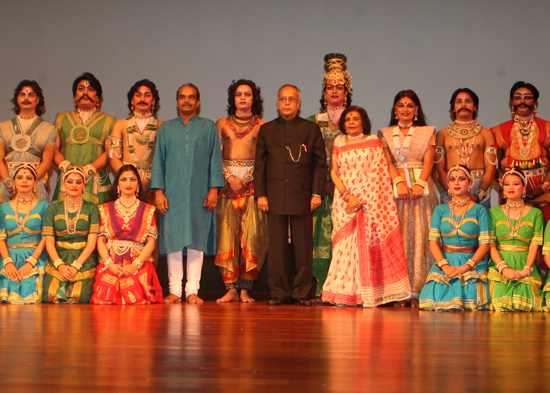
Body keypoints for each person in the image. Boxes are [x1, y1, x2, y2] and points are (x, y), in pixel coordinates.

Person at [322, 106, 410, 307]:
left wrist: (360, 199)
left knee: (365, 247)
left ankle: (365, 294)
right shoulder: (339, 141)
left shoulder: (372, 141)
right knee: (343, 246)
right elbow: (334, 172)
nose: (351, 122)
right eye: (348, 119)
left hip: (368, 203)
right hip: (344, 202)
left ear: (363, 122)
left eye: (356, 118)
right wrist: (347, 196)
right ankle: (341, 293)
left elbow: (378, 172)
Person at [151, 83, 224, 304]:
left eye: (191, 97)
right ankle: (174, 291)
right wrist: (159, 192)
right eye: (182, 97)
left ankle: (192, 290)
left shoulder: (208, 127)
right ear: (176, 101)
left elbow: (215, 160)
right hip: (172, 193)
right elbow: (158, 162)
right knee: (172, 240)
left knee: (196, 240)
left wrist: (213, 190)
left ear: (198, 102)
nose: (186, 101)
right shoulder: (166, 129)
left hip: (199, 192)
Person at [254, 84, 327, 306]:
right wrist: (261, 195)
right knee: (276, 246)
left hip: (303, 195)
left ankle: (302, 292)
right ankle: (278, 291)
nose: (287, 103)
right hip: (274, 195)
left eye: (291, 99)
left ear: (298, 103)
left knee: (302, 246)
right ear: (277, 103)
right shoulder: (267, 130)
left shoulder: (310, 129)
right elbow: (260, 165)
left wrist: (316, 193)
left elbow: (320, 164)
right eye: (283, 99)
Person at [379, 90, 438, 307]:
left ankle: (420, 290)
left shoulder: (427, 132)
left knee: (421, 236)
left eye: (409, 105)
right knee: (399, 237)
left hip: (422, 191)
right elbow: (387, 163)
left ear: (416, 110)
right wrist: (399, 183)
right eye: (401, 105)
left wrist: (420, 184)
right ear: (395, 110)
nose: (405, 109)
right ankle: (399, 292)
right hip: (396, 191)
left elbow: (429, 162)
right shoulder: (385, 133)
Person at [215, 80, 267, 303]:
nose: (243, 98)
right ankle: (231, 288)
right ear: (233, 98)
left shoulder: (262, 126)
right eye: (239, 94)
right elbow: (215, 155)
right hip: (227, 184)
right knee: (227, 236)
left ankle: (246, 287)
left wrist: (246, 179)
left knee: (253, 236)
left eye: (247, 94)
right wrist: (229, 178)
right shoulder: (222, 124)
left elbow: (264, 159)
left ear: (254, 98)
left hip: (252, 183)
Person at [306, 53, 353, 299]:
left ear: (347, 93)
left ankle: (344, 287)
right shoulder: (312, 122)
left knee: (345, 239)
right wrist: (320, 184)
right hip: (318, 191)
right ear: (323, 93)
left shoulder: (354, 121)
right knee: (318, 240)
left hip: (346, 192)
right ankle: (320, 286)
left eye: (339, 87)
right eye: (330, 87)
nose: (335, 91)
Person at [418, 165, 490, 311]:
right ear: (448, 184)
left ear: (470, 184)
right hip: (445, 264)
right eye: (452, 179)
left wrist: (466, 267)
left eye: (462, 179)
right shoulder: (440, 209)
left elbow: (485, 244)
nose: (456, 183)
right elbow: (433, 242)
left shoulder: (479, 210)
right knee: (433, 302)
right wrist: (444, 266)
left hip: (471, 264)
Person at [91, 165, 162, 305]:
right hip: (111, 262)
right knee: (104, 296)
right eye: (123, 179)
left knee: (135, 295)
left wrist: (136, 265)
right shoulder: (104, 209)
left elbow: (151, 242)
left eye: (132, 179)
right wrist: (109, 264)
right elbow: (100, 240)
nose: (128, 183)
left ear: (138, 184)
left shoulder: (148, 209)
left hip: (138, 263)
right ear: (117, 184)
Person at [53, 72, 116, 204]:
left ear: (98, 98)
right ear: (75, 96)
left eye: (91, 89)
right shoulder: (61, 119)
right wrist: (66, 166)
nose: (85, 92)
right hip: (67, 178)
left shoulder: (109, 121)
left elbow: (110, 152)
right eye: (81, 89)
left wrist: (90, 169)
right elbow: (53, 149)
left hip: (95, 181)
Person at [487, 169, 544, 311]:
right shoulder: (493, 212)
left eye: (515, 184)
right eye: (507, 184)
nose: (510, 187)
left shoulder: (536, 213)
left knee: (530, 304)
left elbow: (534, 245)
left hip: (526, 264)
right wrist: (503, 268)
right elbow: (491, 245)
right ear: (502, 188)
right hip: (500, 265)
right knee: (500, 305)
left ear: (524, 188)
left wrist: (526, 270)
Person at [492, 81, 550, 221]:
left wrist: (542, 188)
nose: (522, 101)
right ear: (512, 102)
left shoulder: (547, 128)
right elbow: (494, 166)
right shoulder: (500, 130)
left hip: (543, 192)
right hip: (511, 193)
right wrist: (506, 186)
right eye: (518, 97)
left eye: (527, 97)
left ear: (534, 102)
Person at [42, 167, 99, 303]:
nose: (74, 185)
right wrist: (60, 265)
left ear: (84, 186)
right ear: (63, 184)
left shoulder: (92, 208)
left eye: (78, 182)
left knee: (79, 296)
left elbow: (92, 243)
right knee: (51, 295)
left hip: (83, 259)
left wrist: (75, 266)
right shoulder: (53, 208)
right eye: (70, 181)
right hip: (59, 256)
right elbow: (49, 242)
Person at [435, 88, 497, 208]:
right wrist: (452, 191)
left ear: (475, 107)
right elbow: (438, 169)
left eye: (468, 101)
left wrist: (479, 194)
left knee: (480, 225)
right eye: (459, 101)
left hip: (478, 187)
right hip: (451, 188)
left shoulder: (486, 133)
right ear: (453, 108)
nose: (463, 104)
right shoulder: (442, 134)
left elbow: (491, 168)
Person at [0, 80, 56, 202]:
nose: (26, 98)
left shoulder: (49, 129)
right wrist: (9, 183)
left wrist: (30, 181)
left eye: (31, 95)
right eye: (22, 95)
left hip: (35, 181)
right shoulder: (3, 127)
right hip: (7, 183)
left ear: (38, 100)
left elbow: (47, 162)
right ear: (17, 99)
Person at [0, 164, 49, 303]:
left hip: (35, 257)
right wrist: (8, 262)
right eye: (20, 177)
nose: (24, 181)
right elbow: (1, 238)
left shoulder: (44, 206)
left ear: (35, 183)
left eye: (29, 178)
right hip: (8, 257)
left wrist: (30, 263)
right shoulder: (4, 207)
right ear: (14, 182)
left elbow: (46, 237)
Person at [109, 79, 163, 194]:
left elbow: (166, 159)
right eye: (138, 95)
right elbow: (113, 157)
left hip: (153, 183)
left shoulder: (162, 126)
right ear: (132, 100)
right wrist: (128, 179)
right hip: (126, 185)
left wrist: (151, 180)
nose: (142, 99)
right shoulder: (120, 125)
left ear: (153, 101)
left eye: (147, 95)